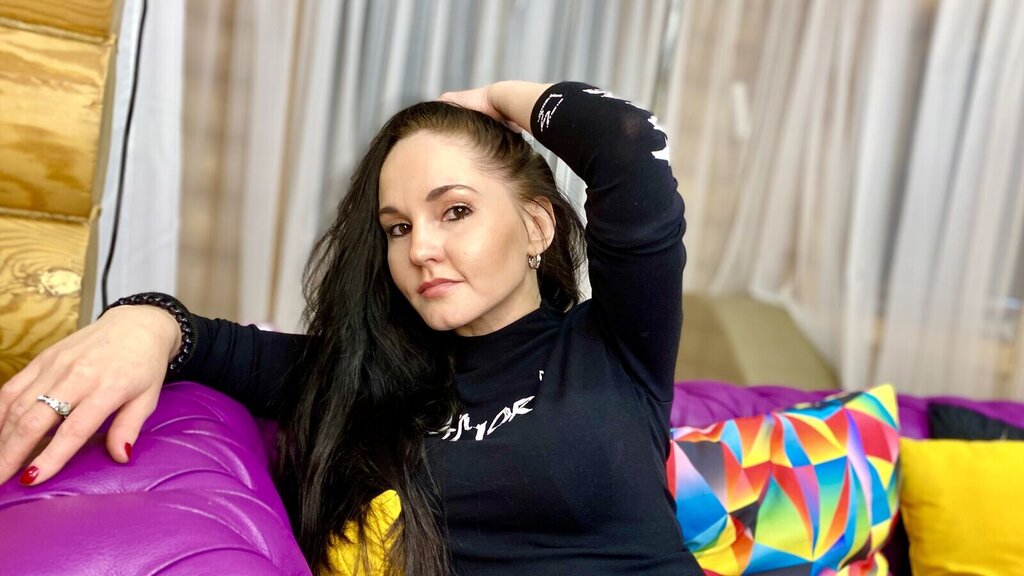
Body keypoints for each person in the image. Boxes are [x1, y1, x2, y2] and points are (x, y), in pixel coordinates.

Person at [0, 81, 700, 575]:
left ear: (537, 226)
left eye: (454, 211)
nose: (420, 248)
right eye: (397, 227)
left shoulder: (612, 342)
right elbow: (205, 342)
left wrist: (494, 98)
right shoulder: (369, 379)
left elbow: (630, 146)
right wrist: (142, 321)